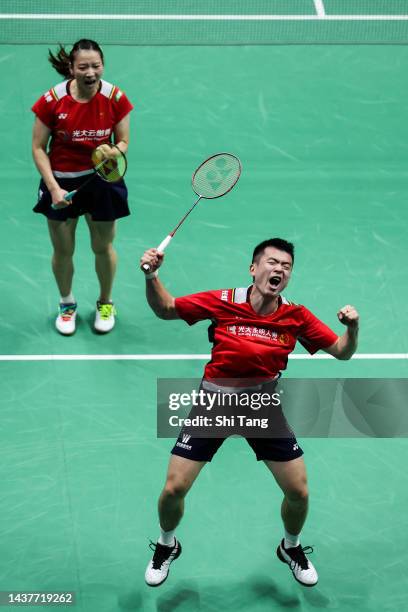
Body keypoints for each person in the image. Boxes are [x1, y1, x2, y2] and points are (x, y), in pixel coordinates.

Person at [140, 238, 359, 588]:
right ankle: (167, 544)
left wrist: (352, 327)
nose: (279, 270)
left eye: (286, 267)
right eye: (272, 263)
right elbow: (166, 308)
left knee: (298, 492)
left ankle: (291, 547)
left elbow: (343, 352)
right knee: (173, 489)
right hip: (214, 403)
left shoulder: (296, 315)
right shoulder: (223, 301)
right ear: (253, 268)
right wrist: (152, 277)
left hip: (262, 406)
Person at [32, 39, 133, 335]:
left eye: (96, 65)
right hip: (61, 179)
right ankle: (67, 304)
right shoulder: (52, 101)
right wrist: (53, 188)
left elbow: (124, 140)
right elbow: (39, 148)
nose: (91, 72)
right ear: (71, 69)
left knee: (102, 246)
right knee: (63, 249)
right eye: (83, 67)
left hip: (102, 179)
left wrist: (117, 150)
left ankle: (106, 302)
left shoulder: (115, 97)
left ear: (103, 65)